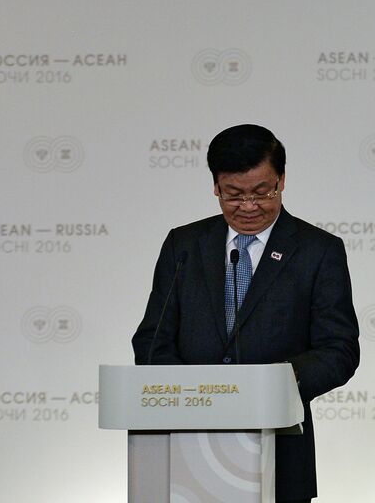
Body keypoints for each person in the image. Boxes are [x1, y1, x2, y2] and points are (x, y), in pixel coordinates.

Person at [132, 124, 359, 503]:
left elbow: (339, 350)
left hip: (280, 451)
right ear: (216, 187)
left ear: (282, 180)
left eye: (261, 192)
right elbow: (152, 338)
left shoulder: (318, 251)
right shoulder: (184, 244)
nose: (249, 206)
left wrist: (272, 385)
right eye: (234, 194)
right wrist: (194, 397)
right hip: (187, 452)